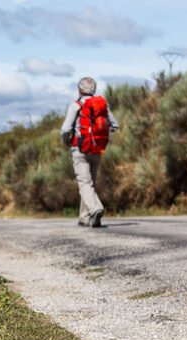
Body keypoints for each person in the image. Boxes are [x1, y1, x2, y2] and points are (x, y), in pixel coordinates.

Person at [61, 77, 119, 228]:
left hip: (80, 149)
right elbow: (115, 125)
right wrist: (99, 134)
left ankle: (95, 209)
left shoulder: (76, 106)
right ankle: (84, 218)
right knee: (90, 184)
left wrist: (67, 141)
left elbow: (66, 129)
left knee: (84, 183)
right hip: (97, 149)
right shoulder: (102, 106)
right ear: (94, 89)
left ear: (80, 90)